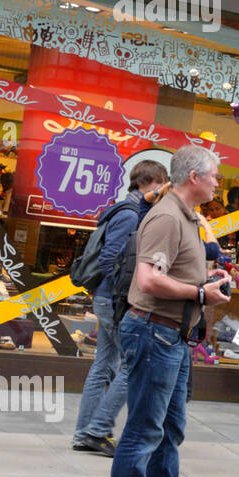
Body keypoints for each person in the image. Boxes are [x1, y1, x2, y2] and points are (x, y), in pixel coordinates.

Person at [106, 145, 231, 477]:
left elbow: (172, 271)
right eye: (213, 175)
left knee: (167, 432)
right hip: (153, 333)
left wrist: (207, 277)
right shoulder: (165, 216)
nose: (217, 181)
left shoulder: (187, 217)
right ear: (193, 177)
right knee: (143, 432)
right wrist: (199, 291)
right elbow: (147, 280)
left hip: (172, 337)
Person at [72, 160, 169, 457]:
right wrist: (124, 298)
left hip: (105, 298)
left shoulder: (127, 209)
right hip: (112, 299)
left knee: (103, 365)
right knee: (130, 364)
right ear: (150, 182)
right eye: (160, 186)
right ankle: (98, 429)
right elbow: (110, 260)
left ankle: (83, 433)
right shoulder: (128, 215)